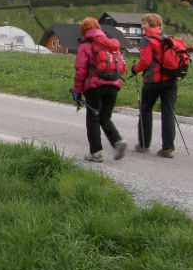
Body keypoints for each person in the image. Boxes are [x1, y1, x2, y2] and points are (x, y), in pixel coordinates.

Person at [72, 17, 127, 163]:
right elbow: (123, 67)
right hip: (113, 86)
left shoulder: (86, 45)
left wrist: (77, 90)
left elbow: (81, 70)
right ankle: (117, 142)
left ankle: (96, 153)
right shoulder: (110, 43)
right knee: (105, 117)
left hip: (94, 87)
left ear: (84, 31)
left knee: (93, 119)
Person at [131, 12, 177, 158]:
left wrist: (134, 69)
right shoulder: (166, 38)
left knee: (145, 110)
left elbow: (145, 62)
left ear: (151, 24)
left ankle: (144, 144)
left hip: (153, 80)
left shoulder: (146, 40)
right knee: (168, 112)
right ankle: (168, 148)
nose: (142, 26)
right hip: (170, 80)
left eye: (144, 23)